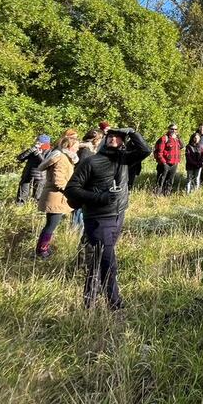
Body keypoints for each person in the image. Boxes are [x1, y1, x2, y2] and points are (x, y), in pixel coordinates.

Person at [65, 127, 151, 310]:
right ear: (105, 139)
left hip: (118, 214)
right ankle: (114, 303)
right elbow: (71, 189)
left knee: (98, 259)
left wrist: (132, 132)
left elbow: (145, 150)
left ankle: (89, 299)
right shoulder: (91, 162)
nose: (114, 139)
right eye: (110, 136)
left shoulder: (124, 159)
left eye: (118, 137)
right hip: (98, 218)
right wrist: (100, 197)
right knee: (108, 261)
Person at [34, 135, 79, 258]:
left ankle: (43, 249)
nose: (77, 148)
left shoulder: (65, 157)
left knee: (51, 224)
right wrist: (71, 191)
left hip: (58, 195)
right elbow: (58, 180)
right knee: (51, 225)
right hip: (56, 196)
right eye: (75, 146)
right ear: (69, 147)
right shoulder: (61, 158)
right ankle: (42, 251)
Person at [16, 134, 52, 205]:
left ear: (44, 143)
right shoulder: (33, 149)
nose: (37, 143)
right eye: (37, 141)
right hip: (27, 174)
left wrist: (38, 154)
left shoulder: (49, 151)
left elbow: (45, 163)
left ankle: (35, 211)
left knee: (37, 197)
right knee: (22, 194)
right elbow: (20, 158)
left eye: (39, 141)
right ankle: (20, 206)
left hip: (40, 176)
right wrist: (30, 150)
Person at [154, 124, 182, 196]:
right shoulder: (164, 138)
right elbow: (159, 152)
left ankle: (167, 195)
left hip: (174, 163)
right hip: (165, 163)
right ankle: (157, 196)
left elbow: (182, 146)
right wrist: (163, 163)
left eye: (175, 129)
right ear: (168, 129)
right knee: (161, 181)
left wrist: (179, 137)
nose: (174, 131)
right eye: (172, 129)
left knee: (170, 181)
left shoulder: (177, 139)